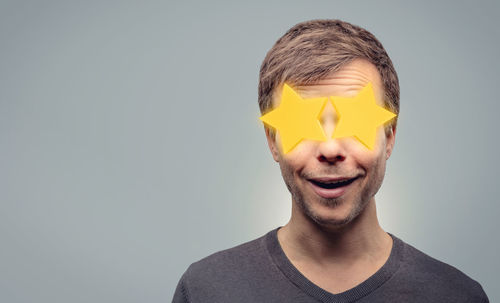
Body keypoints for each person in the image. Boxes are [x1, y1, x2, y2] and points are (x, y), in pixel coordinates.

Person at [172, 19, 489, 302]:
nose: (330, 148)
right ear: (273, 141)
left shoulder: (457, 295)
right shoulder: (206, 290)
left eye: (356, 125)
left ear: (389, 136)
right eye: (303, 126)